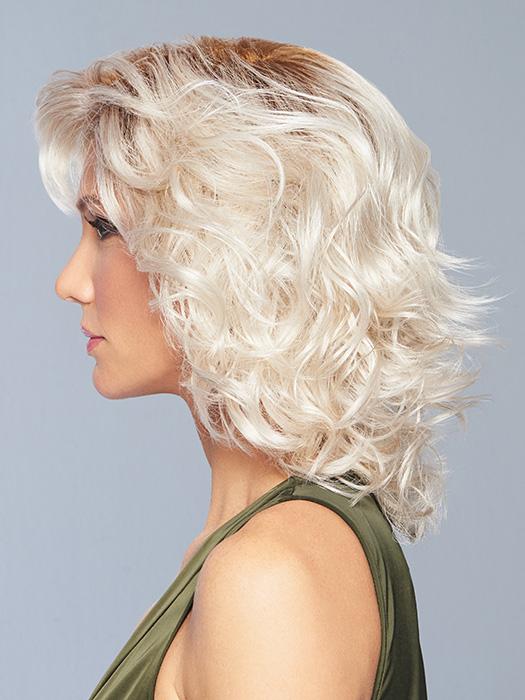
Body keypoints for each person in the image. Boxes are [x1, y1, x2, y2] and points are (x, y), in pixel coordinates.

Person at [32, 35, 496, 699]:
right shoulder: (255, 550)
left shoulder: (269, 575)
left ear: (224, 249)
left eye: (104, 229)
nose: (69, 282)